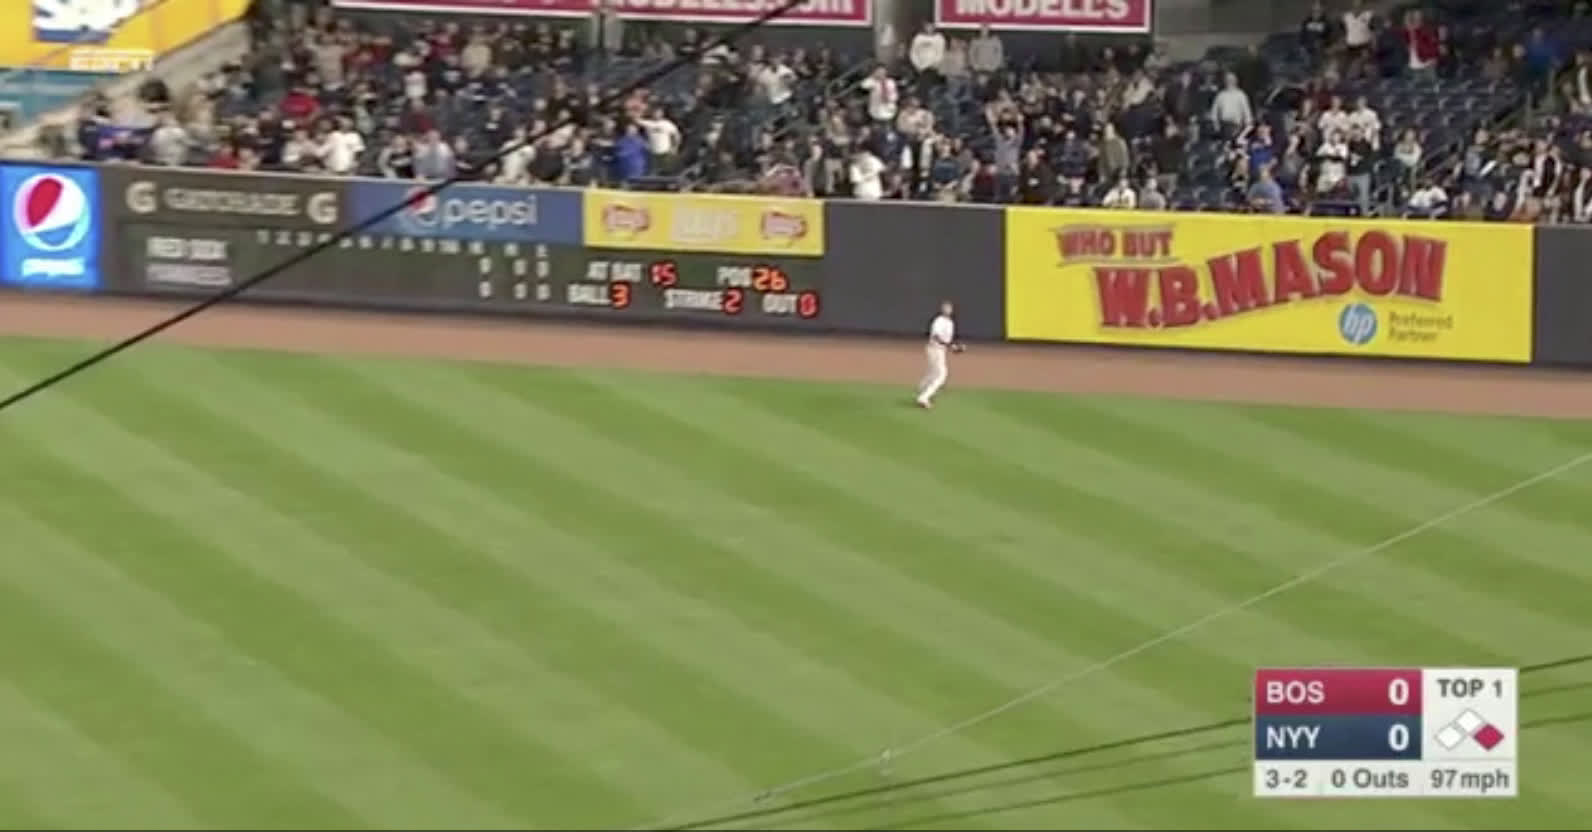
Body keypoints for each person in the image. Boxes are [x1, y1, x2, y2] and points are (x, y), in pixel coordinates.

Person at [916, 300, 961, 409]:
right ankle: (923, 397)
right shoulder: (939, 321)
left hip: (940, 350)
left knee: (932, 373)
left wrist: (954, 347)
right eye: (946, 308)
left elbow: (947, 340)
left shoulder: (950, 323)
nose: (948, 310)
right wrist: (950, 346)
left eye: (949, 308)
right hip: (934, 349)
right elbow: (936, 337)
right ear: (942, 309)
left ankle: (922, 389)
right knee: (941, 375)